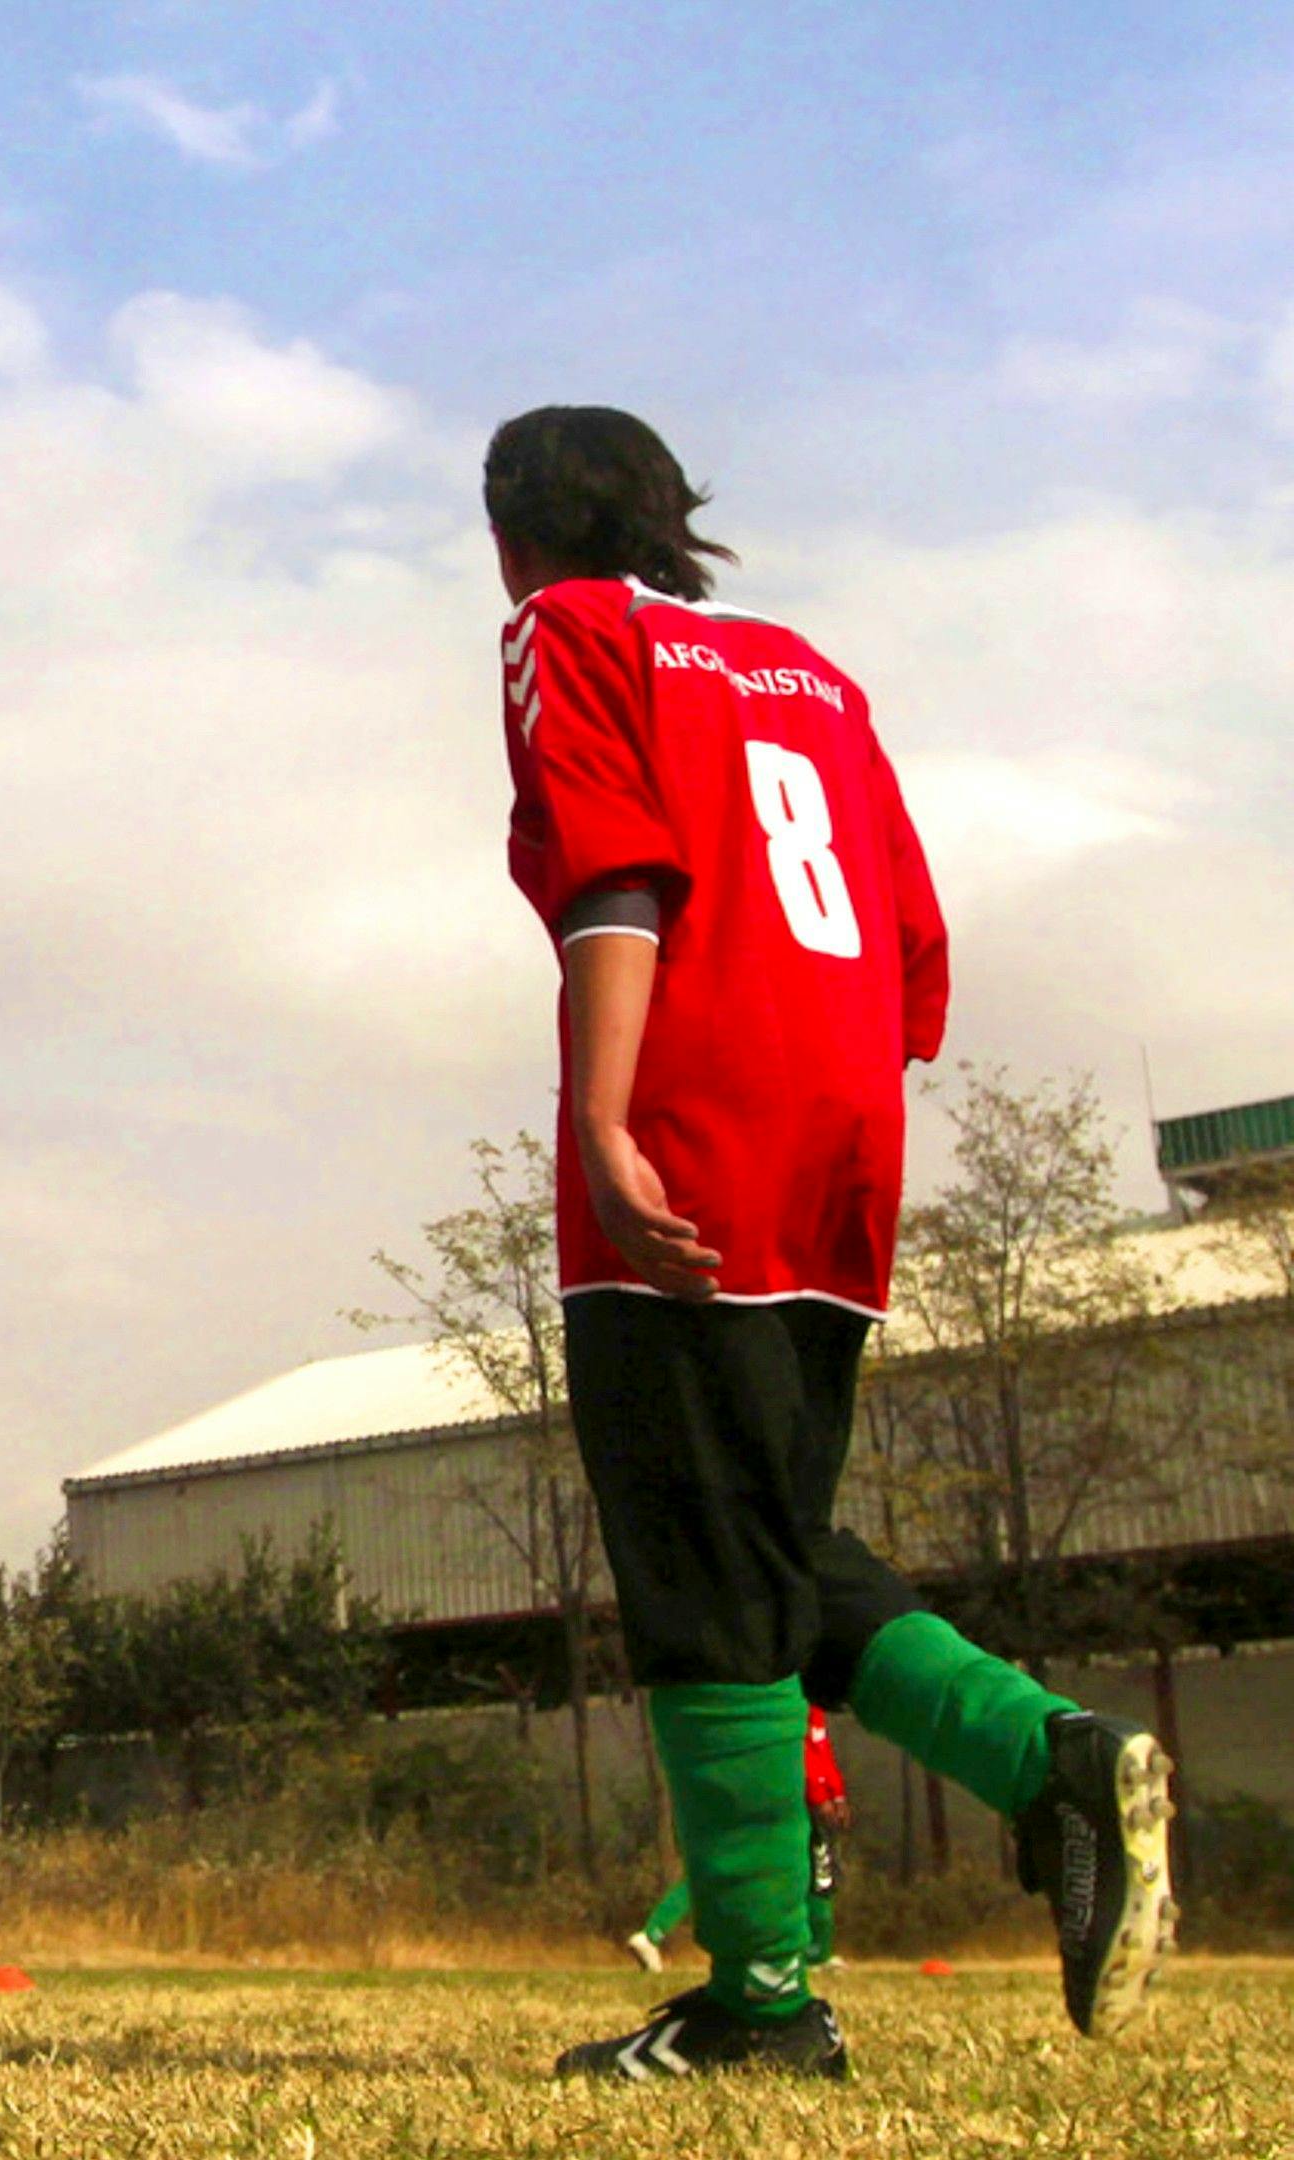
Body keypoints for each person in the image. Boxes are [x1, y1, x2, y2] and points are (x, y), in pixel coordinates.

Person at [487, 408, 1174, 2082]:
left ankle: (765, 1999)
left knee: (694, 1559)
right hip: (843, 1139)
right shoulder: (815, 677)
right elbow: (920, 958)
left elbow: (618, 884)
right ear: (671, 519)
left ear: (511, 533)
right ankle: (1046, 1760)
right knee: (771, 1538)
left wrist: (603, 1117)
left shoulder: (566, 632)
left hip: (698, 1114)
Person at [625, 1709, 848, 1973]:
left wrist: (837, 1792)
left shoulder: (811, 1702)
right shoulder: (796, 1693)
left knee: (727, 1863)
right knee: (815, 1867)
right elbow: (798, 1748)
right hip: (784, 1793)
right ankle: (814, 1955)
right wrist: (821, 1795)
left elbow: (819, 1747)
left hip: (768, 1787)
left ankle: (652, 1933)